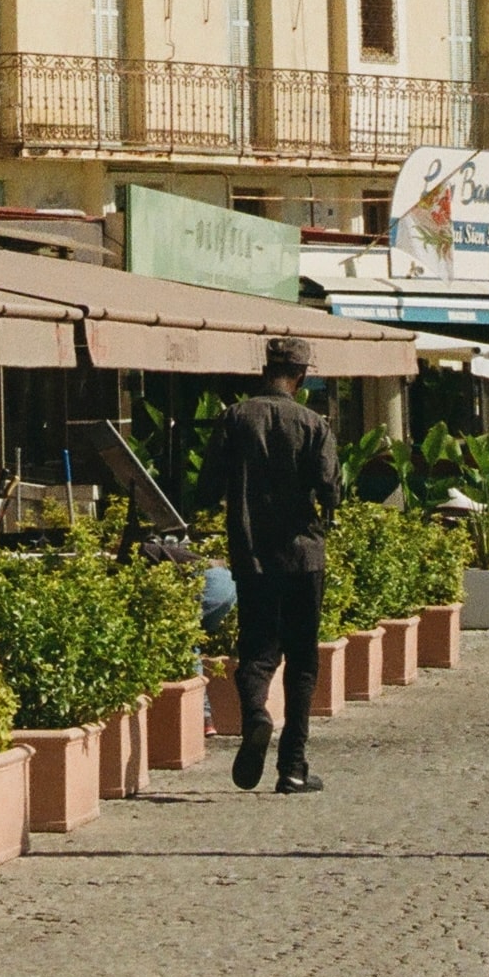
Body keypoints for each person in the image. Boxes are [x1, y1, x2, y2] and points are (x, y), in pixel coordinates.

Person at [193, 333, 339, 793]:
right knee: (302, 660)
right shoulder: (315, 423)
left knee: (257, 652)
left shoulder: (234, 418)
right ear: (302, 377)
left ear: (262, 371)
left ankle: (256, 714)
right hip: (303, 557)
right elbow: (331, 491)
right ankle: (293, 767)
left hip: (252, 556)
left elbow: (207, 488)